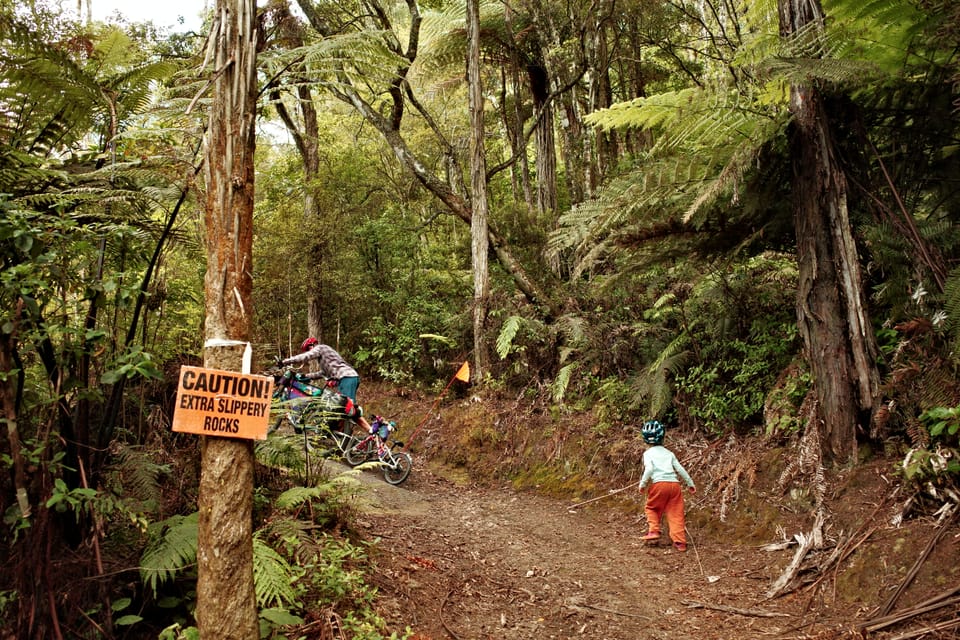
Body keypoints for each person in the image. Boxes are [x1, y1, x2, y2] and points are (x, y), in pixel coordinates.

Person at [279, 337, 371, 432]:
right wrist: (305, 376)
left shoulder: (321, 348)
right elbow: (321, 373)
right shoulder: (324, 360)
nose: (309, 351)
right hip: (345, 379)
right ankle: (343, 435)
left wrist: (285, 361)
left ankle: (371, 430)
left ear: (313, 345)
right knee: (339, 408)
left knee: (348, 408)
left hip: (347, 377)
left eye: (308, 348)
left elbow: (306, 356)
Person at [638, 420, 696, 552]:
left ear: (645, 439)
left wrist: (643, 484)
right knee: (676, 513)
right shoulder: (669, 453)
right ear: (663, 436)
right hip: (675, 485)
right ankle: (680, 542)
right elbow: (680, 469)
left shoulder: (648, 454)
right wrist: (690, 483)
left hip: (659, 484)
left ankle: (654, 531)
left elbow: (649, 469)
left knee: (652, 508)